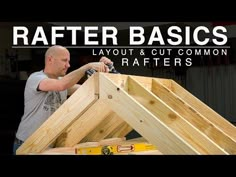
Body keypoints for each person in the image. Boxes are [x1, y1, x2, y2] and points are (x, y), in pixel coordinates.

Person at [13, 45, 112, 154]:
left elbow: (90, 89)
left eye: (68, 61)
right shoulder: (36, 78)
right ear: (50, 59)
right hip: (27, 144)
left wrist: (102, 72)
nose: (68, 65)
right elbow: (61, 85)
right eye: (64, 60)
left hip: (48, 145)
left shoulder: (64, 82)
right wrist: (87, 67)